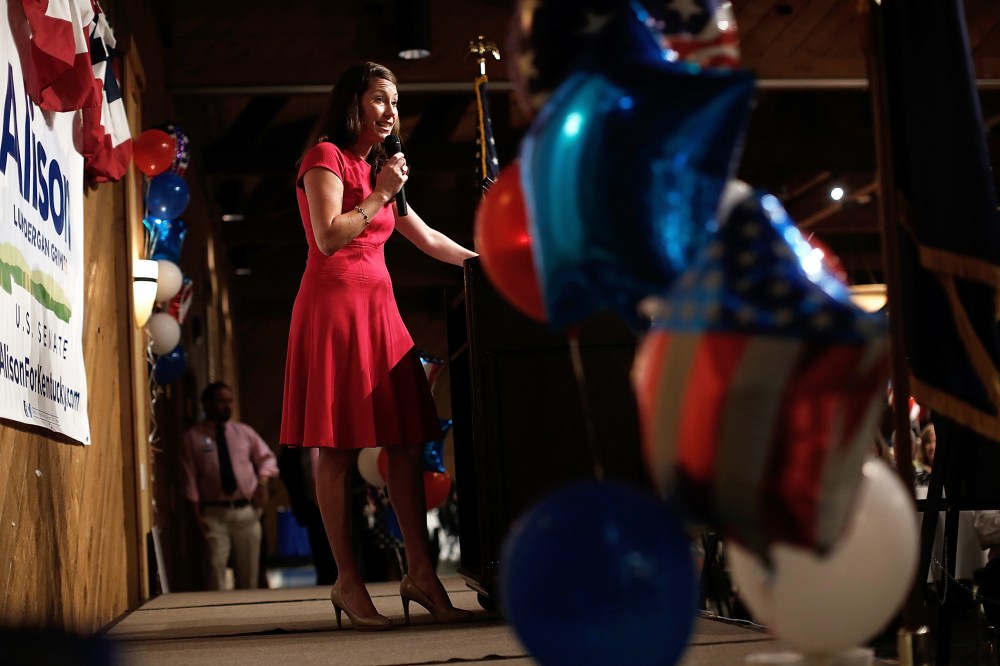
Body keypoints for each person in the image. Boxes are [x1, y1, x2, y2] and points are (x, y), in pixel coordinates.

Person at [279, 61, 477, 631]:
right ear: (354, 104)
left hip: (380, 310)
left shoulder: (383, 170)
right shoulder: (325, 157)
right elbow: (328, 235)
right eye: (381, 100)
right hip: (335, 309)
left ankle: (421, 573)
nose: (391, 112)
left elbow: (426, 237)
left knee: (410, 438)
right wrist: (379, 195)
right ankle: (348, 581)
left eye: (395, 102)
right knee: (337, 448)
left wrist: (485, 267)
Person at [180, 381, 279, 590]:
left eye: (229, 401)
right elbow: (189, 480)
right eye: (221, 401)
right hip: (215, 515)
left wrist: (262, 483)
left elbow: (267, 459)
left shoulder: (244, 432)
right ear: (205, 404)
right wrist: (197, 516)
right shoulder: (192, 438)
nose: (226, 406)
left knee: (249, 575)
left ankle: (248, 619)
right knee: (216, 572)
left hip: (246, 512)